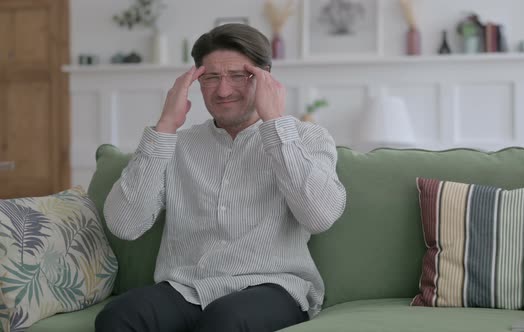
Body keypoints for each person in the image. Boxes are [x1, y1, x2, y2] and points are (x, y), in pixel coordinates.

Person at [95, 23, 347, 332]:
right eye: (211, 77)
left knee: (225, 319)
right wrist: (165, 126)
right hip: (186, 289)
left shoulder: (306, 138)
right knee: (117, 316)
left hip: (273, 288)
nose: (223, 90)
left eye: (238, 76)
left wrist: (275, 125)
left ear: (265, 76)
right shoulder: (176, 145)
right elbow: (125, 224)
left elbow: (320, 216)